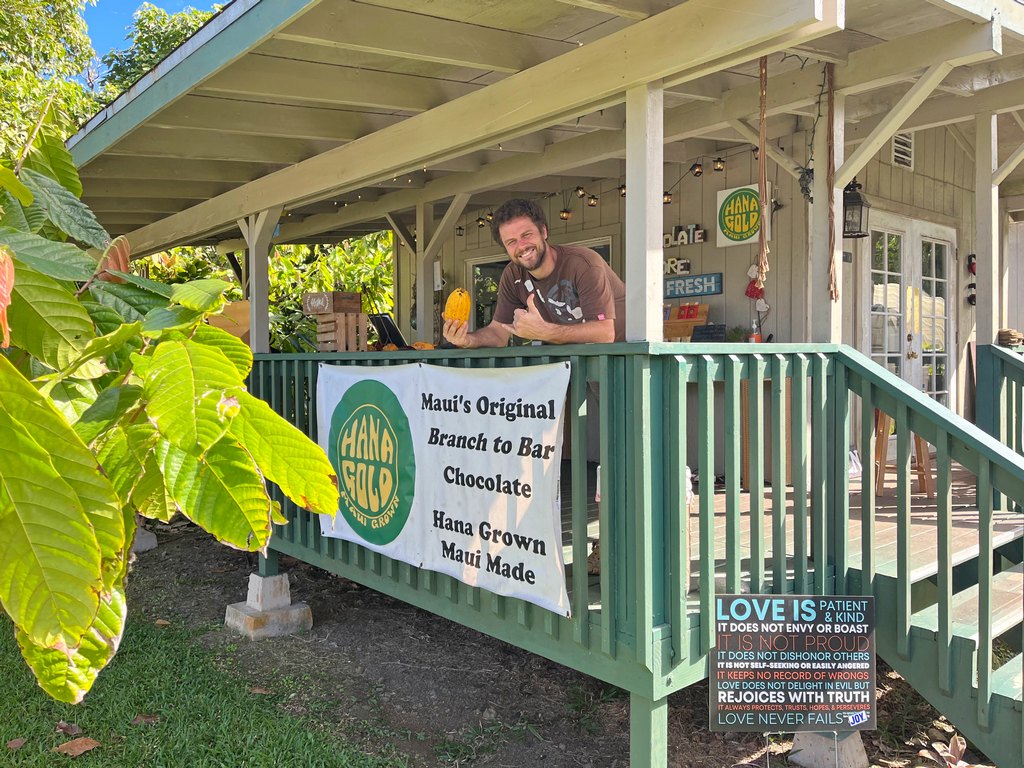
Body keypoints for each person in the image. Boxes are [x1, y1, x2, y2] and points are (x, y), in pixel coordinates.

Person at [442, 198, 625, 348]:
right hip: (572, 364)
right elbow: (499, 333)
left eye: (526, 235)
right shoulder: (513, 275)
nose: (521, 246)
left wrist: (544, 332)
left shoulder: (584, 263)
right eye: (511, 241)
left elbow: (605, 333)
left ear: (543, 231)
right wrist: (466, 340)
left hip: (623, 362)